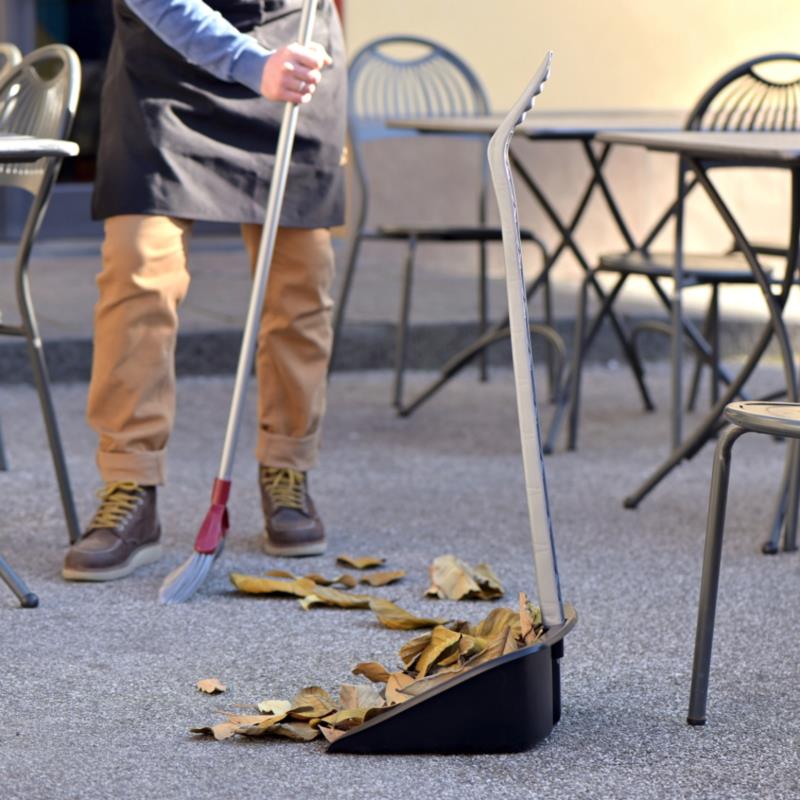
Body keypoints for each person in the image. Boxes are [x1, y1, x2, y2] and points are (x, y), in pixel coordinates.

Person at [62, 0, 346, 581]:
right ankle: (130, 482)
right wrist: (248, 63)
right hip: (166, 69)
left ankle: (286, 470)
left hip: (293, 47)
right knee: (138, 268)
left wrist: (274, 63)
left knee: (301, 280)